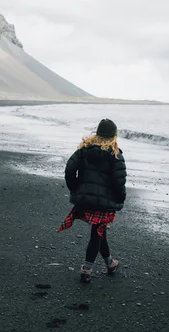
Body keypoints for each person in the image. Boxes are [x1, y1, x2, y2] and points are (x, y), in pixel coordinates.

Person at [58, 119, 127, 283]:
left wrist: (75, 188)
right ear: (113, 136)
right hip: (104, 203)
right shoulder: (115, 154)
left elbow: (69, 170)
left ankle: (110, 263)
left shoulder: (83, 150)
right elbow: (119, 181)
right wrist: (120, 198)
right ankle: (86, 269)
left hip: (86, 199)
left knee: (99, 230)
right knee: (97, 233)